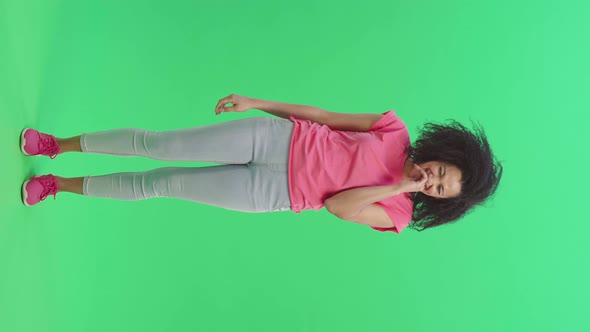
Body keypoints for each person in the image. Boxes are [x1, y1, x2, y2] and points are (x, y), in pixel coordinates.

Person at [20, 94, 502, 233]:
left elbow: (338, 207)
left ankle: (58, 186)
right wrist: (256, 102)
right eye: (442, 172)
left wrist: (399, 188)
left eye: (440, 189)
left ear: (437, 202)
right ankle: (56, 145)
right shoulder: (393, 130)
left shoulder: (396, 213)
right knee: (160, 145)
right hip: (277, 138)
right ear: (444, 154)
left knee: (160, 184)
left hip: (272, 195)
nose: (433, 181)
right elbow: (324, 116)